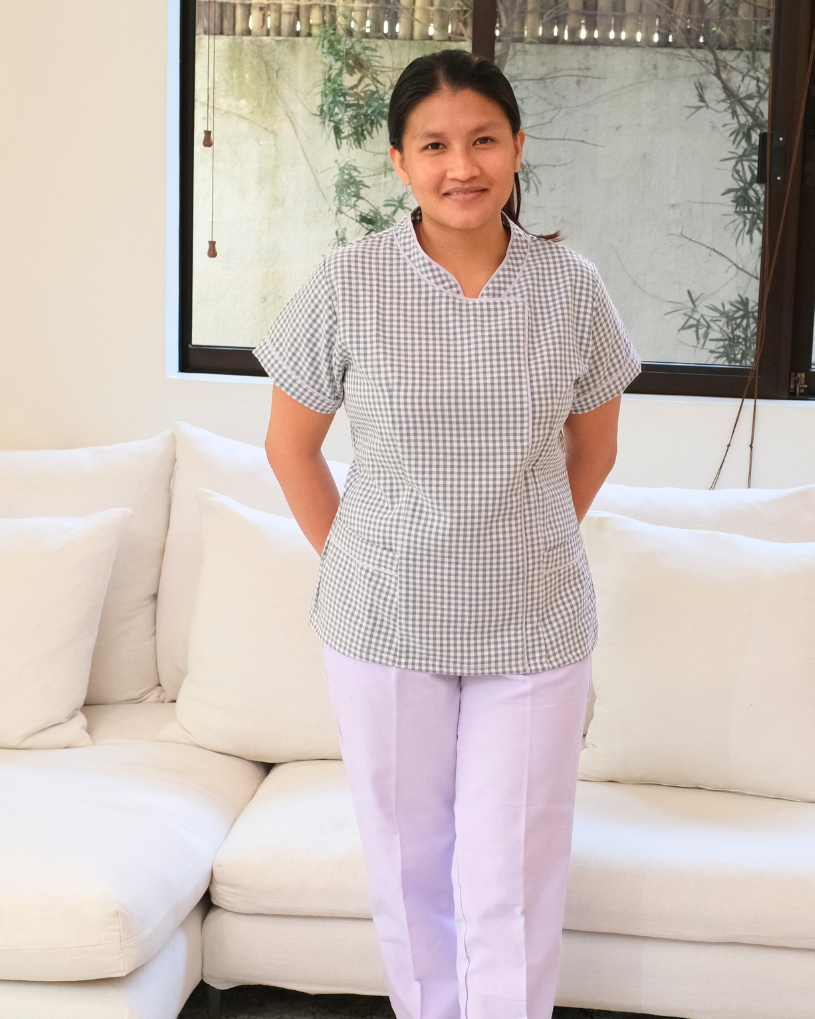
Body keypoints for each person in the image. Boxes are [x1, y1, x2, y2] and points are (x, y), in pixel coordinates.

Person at [255, 48, 641, 1019]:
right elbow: (289, 447)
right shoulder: (347, 283)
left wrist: (521, 546)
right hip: (382, 624)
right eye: (432, 146)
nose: (459, 166)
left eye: (481, 140)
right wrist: (365, 562)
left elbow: (592, 449)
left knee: (510, 878)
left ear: (516, 147)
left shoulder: (570, 286)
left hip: (533, 623)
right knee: (407, 866)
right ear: (398, 160)